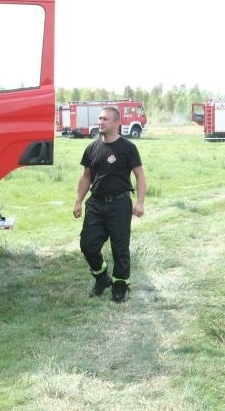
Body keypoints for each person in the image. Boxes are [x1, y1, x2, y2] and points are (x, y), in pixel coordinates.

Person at [73, 106, 146, 303]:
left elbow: (139, 175)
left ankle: (120, 285)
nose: (100, 122)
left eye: (105, 119)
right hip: (96, 204)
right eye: (99, 119)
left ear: (116, 122)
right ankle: (102, 278)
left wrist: (139, 202)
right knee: (88, 245)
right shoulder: (92, 148)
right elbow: (86, 176)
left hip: (120, 204)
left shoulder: (128, 148)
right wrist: (78, 201)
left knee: (120, 248)